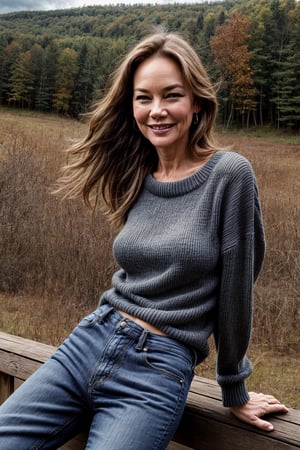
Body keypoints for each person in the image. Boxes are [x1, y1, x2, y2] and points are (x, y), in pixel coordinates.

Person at [0, 30, 288, 449]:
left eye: (171, 95)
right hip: (89, 340)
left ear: (196, 102)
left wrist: (234, 389)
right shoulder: (138, 176)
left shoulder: (230, 175)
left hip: (157, 370)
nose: (157, 111)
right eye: (143, 98)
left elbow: (237, 290)